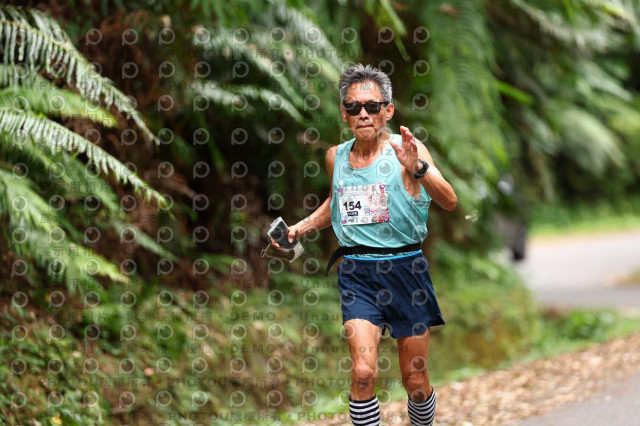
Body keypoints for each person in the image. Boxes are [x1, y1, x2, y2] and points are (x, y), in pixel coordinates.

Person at [272, 64, 457, 426]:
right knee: (362, 373)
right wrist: (300, 228)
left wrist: (418, 167)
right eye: (353, 107)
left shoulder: (408, 150)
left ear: (388, 110)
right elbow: (336, 202)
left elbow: (449, 200)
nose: (363, 114)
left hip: (407, 271)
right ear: (344, 113)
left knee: (415, 381)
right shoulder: (335, 156)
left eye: (372, 106)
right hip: (358, 273)